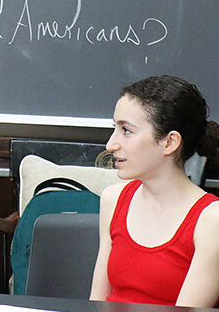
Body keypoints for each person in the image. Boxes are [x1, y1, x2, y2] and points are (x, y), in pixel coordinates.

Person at [90, 75, 219, 307]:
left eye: (126, 130)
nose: (111, 145)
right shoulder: (114, 198)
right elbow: (96, 303)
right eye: (115, 128)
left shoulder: (211, 220)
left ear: (169, 143)